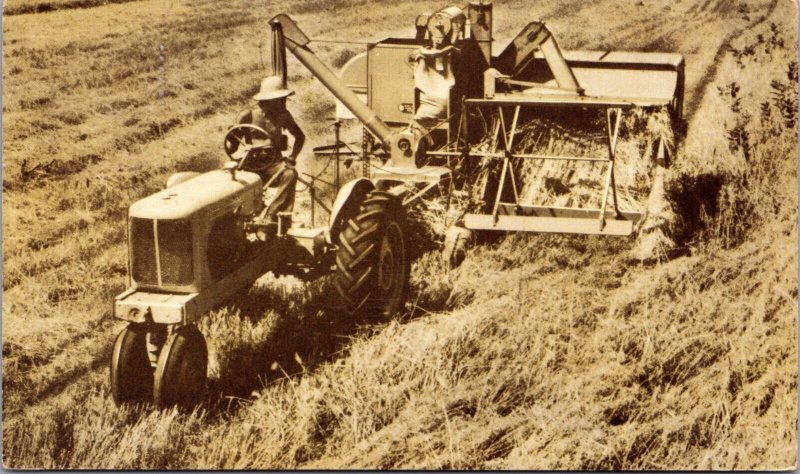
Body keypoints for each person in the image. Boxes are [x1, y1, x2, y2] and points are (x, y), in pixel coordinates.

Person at [235, 76, 305, 222]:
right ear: (267, 99)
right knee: (230, 182)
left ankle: (273, 215)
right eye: (279, 99)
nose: (282, 102)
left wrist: (292, 157)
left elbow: (300, 137)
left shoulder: (283, 115)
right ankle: (239, 219)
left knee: (290, 174)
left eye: (282, 98)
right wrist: (235, 156)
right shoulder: (247, 115)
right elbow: (232, 142)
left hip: (273, 163)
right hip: (250, 164)